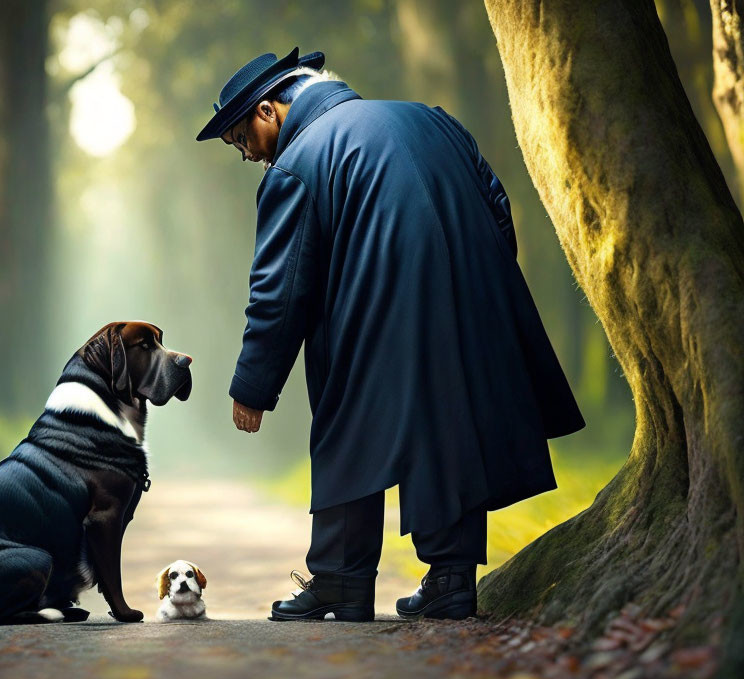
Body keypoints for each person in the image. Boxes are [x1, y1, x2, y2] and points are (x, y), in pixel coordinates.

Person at [196, 48, 585, 622]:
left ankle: (340, 584)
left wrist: (253, 385)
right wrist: (470, 289)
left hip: (372, 313)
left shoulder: (297, 162)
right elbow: (498, 209)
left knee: (346, 421)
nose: (249, 155)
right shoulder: (433, 119)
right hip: (468, 297)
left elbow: (280, 290)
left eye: (240, 141)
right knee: (447, 423)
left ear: (267, 112)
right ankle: (451, 579)